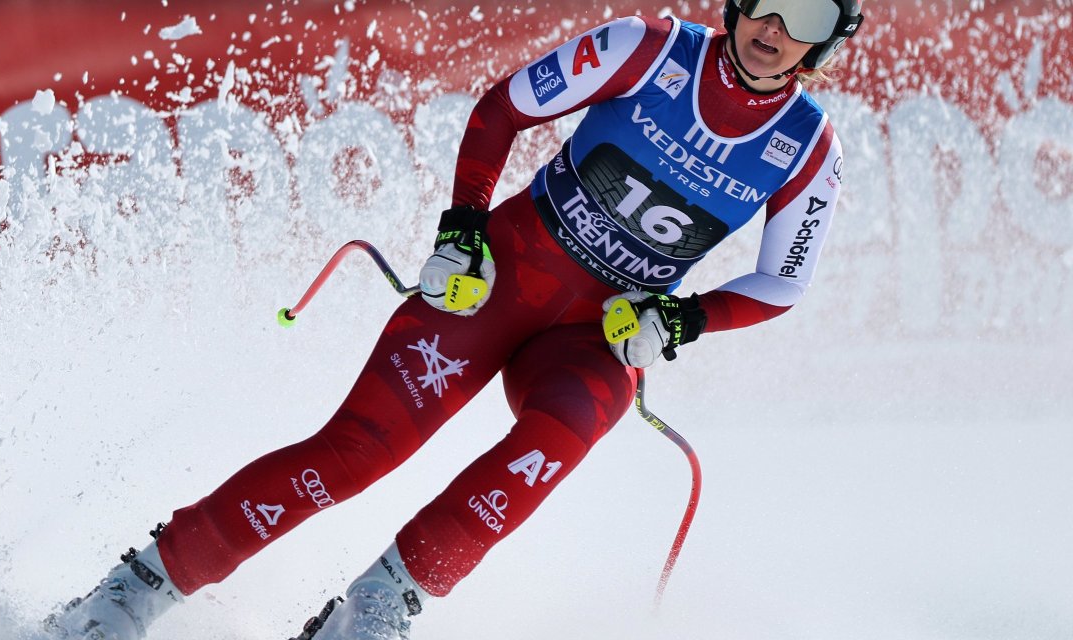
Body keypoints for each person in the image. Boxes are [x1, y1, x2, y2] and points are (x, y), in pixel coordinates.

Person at [44, 0, 864, 638]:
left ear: (829, 43)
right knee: (355, 455)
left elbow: (781, 283)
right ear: (738, 3)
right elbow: (504, 108)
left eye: (811, 17)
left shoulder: (807, 147)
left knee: (566, 430)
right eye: (769, 0)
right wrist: (463, 227)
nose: (777, 27)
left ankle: (374, 609)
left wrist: (684, 320)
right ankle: (135, 589)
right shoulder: (647, 48)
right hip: (504, 275)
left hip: (600, 334)